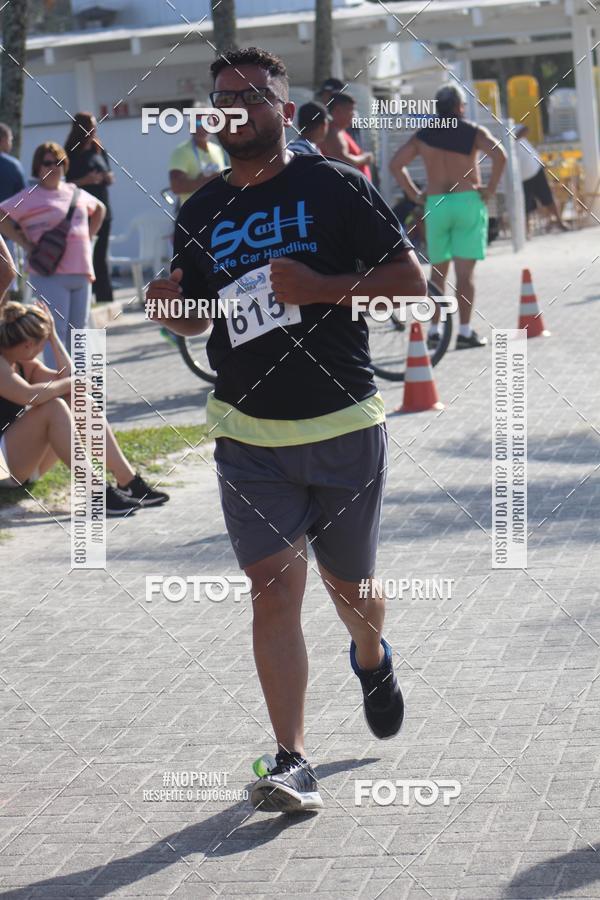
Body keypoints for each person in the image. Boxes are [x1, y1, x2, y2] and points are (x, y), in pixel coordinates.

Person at [146, 46, 427, 813]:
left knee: (352, 588)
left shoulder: (337, 186)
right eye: (222, 96)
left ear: (282, 103)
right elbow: (200, 315)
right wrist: (172, 306)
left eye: (251, 93)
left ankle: (370, 656)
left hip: (342, 422)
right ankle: (291, 759)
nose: (235, 105)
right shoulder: (201, 210)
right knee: (273, 593)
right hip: (248, 432)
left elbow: (413, 283)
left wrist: (323, 288)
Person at [0, 299, 169, 512]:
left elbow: (70, 380)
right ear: (27, 345)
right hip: (4, 468)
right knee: (53, 408)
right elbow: (30, 396)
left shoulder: (25, 363)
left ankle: (128, 482)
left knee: (76, 401)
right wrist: (71, 383)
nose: (43, 349)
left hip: (21, 463)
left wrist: (53, 337)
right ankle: (96, 492)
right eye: (42, 343)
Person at [390, 83, 507, 350]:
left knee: (437, 274)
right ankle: (465, 332)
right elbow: (500, 155)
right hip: (467, 202)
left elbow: (395, 164)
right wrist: (489, 189)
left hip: (436, 204)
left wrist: (414, 194)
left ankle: (435, 331)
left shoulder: (423, 135)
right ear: (459, 107)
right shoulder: (473, 132)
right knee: (465, 276)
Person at [0, 141, 105, 368]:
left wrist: (88, 237)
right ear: (38, 167)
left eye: (59, 162)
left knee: (81, 332)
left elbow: (100, 210)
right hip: (48, 273)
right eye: (48, 162)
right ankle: (60, 388)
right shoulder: (28, 195)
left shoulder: (75, 192)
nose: (54, 167)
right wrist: (25, 244)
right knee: (54, 332)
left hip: (82, 271)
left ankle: (81, 390)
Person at [65, 113, 115, 304]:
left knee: (101, 255)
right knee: (86, 255)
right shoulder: (70, 153)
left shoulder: (98, 149)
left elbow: (109, 173)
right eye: (91, 126)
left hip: (103, 210)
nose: (94, 129)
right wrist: (85, 181)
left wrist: (106, 178)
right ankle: (85, 297)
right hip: (81, 212)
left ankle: (104, 297)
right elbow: (65, 183)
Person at [514, 124, 567, 235]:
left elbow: (526, 129)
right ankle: (526, 231)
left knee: (548, 198)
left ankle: (559, 222)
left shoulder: (510, 127)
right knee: (525, 205)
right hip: (521, 176)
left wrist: (513, 138)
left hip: (535, 168)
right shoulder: (496, 138)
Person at [168, 119, 226, 207]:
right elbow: (176, 187)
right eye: (197, 123)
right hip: (194, 214)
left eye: (207, 123)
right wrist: (208, 180)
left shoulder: (217, 149)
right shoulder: (181, 151)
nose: (202, 127)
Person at [319, 92, 373, 180]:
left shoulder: (340, 131)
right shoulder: (333, 132)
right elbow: (342, 159)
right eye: (350, 110)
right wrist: (364, 159)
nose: (353, 114)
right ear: (337, 110)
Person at [0, 123, 26, 289]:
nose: (10, 143)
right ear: (2, 140)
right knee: (6, 278)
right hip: (7, 232)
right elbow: (24, 199)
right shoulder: (13, 165)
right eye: (10, 139)